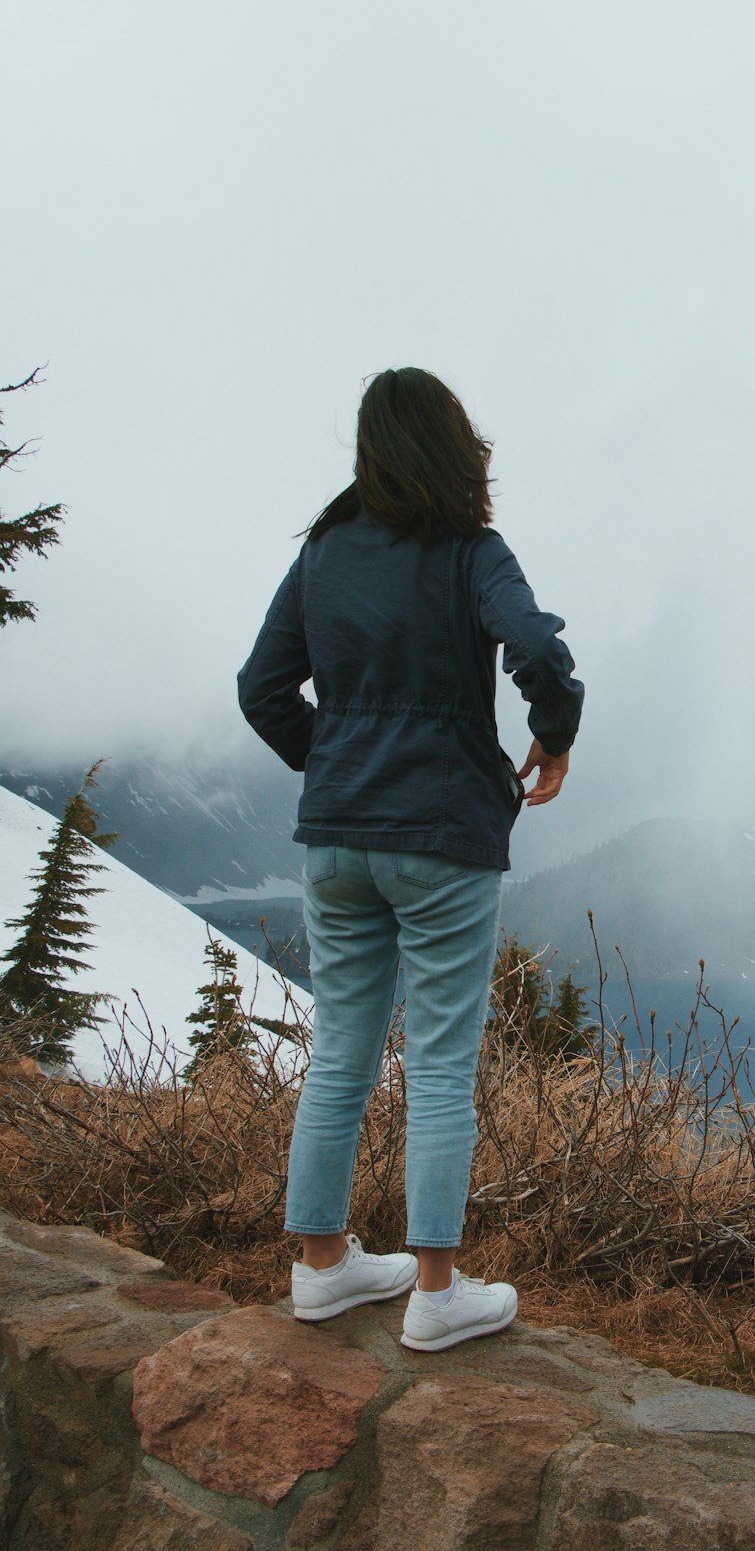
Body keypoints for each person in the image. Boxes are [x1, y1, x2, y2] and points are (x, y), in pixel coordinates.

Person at [237, 367, 583, 1351]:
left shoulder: (324, 553)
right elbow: (538, 652)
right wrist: (553, 735)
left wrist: (338, 764)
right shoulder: (473, 553)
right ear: (453, 445)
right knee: (438, 1063)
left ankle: (322, 1268)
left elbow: (261, 688)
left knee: (339, 1048)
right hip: (443, 837)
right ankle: (435, 1292)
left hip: (337, 838)